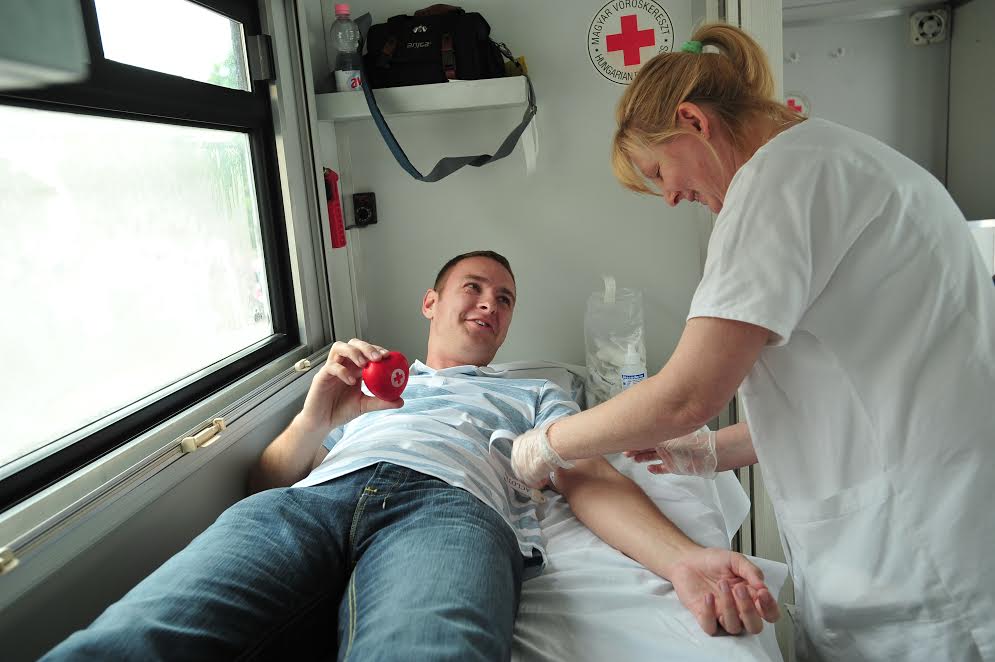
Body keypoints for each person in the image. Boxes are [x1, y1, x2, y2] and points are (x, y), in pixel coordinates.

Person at [511, 22, 995, 661]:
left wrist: (546, 443)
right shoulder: (843, 160)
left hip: (919, 556)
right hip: (945, 513)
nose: (671, 196)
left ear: (693, 122)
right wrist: (715, 450)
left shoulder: (776, 183)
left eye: (659, 171)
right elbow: (857, 391)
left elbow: (687, 396)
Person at [43, 250, 777, 661]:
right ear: (431, 303)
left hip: (449, 512)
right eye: (474, 288)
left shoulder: (533, 393)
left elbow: (586, 473)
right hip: (306, 504)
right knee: (131, 640)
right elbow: (265, 480)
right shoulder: (368, 384)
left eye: (505, 299)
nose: (490, 304)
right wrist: (317, 416)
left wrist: (682, 559)